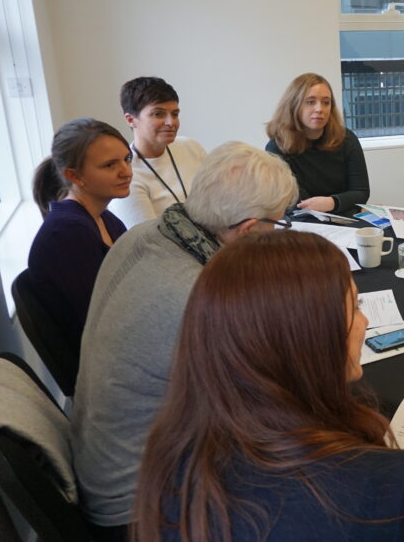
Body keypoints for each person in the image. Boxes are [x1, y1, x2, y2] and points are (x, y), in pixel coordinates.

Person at [133, 231, 404, 541]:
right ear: (310, 339)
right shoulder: (390, 483)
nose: (364, 321)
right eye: (355, 307)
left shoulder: (171, 457)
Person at [71, 142, 298, 541]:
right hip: (142, 508)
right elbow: (259, 411)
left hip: (105, 464)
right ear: (246, 230)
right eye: (276, 225)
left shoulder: (144, 235)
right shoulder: (197, 296)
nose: (277, 235)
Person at [27, 118, 132, 363]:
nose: (126, 171)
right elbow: (103, 323)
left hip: (123, 351)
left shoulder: (105, 218)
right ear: (74, 175)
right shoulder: (66, 234)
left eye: (127, 159)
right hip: (107, 367)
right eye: (109, 165)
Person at [108, 76, 206, 228]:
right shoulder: (125, 176)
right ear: (130, 120)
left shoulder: (190, 147)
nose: (171, 122)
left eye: (175, 114)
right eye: (158, 114)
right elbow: (148, 243)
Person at [266, 73, 368, 215]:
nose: (320, 109)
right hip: (302, 221)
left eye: (326, 102)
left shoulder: (347, 139)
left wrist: (332, 202)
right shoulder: (277, 146)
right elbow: (293, 201)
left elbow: (361, 192)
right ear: (294, 105)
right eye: (310, 102)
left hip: (344, 218)